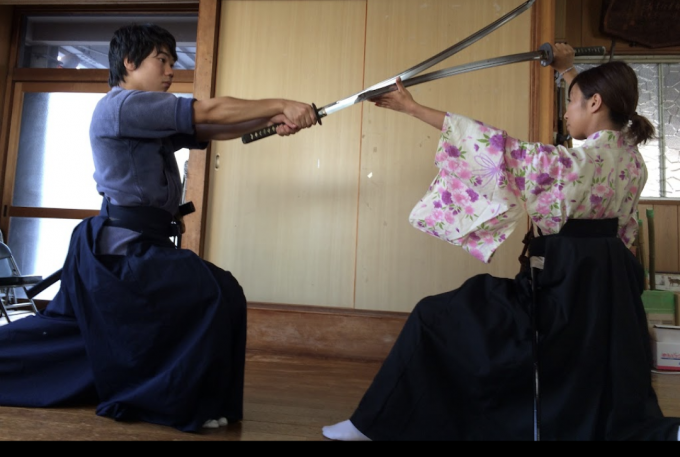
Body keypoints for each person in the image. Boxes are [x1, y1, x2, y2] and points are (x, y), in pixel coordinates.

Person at [321, 43, 680, 441]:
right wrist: (567, 71)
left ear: (595, 103)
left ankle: (371, 424)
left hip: (560, 293)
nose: (566, 111)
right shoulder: (633, 162)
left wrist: (412, 108)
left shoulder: (568, 164)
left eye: (571, 101)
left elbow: (496, 149)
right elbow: (623, 218)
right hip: (609, 299)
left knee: (434, 316)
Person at [0, 23, 318, 433]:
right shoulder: (125, 106)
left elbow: (209, 128)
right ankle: (176, 399)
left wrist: (272, 119)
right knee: (213, 293)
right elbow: (207, 112)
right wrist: (282, 103)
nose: (170, 71)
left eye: (172, 61)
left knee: (76, 337)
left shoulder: (139, 113)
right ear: (129, 63)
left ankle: (175, 393)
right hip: (121, 252)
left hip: (131, 244)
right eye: (161, 60)